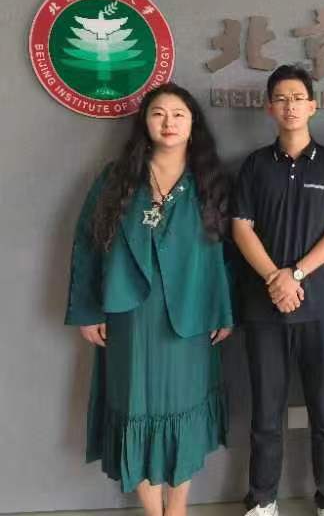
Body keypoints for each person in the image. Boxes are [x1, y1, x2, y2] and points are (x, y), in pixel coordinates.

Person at [65, 83, 234, 516]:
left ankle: (176, 510)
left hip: (192, 316)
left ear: (193, 125)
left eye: (178, 114)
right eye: (158, 113)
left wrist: (224, 311)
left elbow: (228, 255)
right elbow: (87, 244)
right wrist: (87, 310)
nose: (168, 122)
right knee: (133, 409)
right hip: (130, 316)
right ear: (144, 123)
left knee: (185, 412)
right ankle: (151, 511)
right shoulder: (117, 178)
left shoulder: (211, 183)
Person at [233, 65, 324, 516]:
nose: (290, 106)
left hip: (320, 306)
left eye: (298, 97)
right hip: (265, 308)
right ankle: (263, 499)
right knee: (266, 412)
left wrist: (296, 275)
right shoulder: (254, 165)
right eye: (281, 98)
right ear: (270, 107)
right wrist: (275, 278)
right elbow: (241, 227)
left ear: (313, 106)